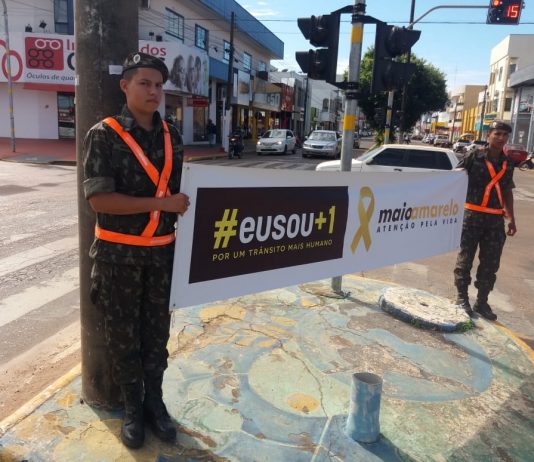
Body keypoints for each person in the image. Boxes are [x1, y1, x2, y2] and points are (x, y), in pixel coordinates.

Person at [83, 52, 190, 449]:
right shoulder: (104, 135)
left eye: (159, 85)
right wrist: (162, 204)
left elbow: (185, 192)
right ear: (124, 86)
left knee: (156, 335)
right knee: (123, 336)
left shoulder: (172, 135)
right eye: (144, 83)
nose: (153, 91)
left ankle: (154, 404)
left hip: (162, 257)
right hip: (118, 258)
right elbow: (100, 201)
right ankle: (132, 408)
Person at [453, 120, 516, 321]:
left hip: (495, 221)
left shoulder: (508, 163)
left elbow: (507, 191)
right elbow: (455, 180)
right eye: (497, 134)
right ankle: (461, 298)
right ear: (488, 135)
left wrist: (511, 218)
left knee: (490, 263)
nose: (501, 138)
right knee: (465, 260)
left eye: (505, 135)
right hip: (471, 217)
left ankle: (481, 302)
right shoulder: (474, 156)